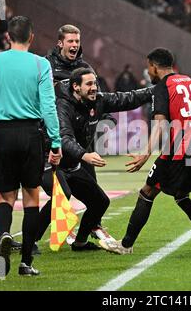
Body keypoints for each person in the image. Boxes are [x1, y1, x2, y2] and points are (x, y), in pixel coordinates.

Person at [99, 48, 191, 254]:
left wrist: (145, 154)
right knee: (181, 196)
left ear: (154, 67)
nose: (147, 72)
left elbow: (159, 125)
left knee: (147, 192)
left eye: (148, 67)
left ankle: (126, 245)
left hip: (176, 151)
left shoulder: (162, 87)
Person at [0, 16, 62, 276]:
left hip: (2, 133)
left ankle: (3, 235)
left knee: (4, 196)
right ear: (31, 37)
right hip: (30, 134)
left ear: (7, 38)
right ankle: (26, 263)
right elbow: (48, 106)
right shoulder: (40, 64)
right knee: (31, 197)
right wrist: (56, 141)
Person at [35, 67, 155, 251]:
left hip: (72, 164)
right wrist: (85, 155)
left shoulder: (97, 100)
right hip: (49, 161)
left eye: (95, 83)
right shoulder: (62, 105)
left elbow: (127, 98)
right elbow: (63, 137)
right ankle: (31, 240)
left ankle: (81, 242)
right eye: (89, 84)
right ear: (76, 87)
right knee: (62, 196)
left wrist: (158, 89)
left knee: (101, 201)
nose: (94, 88)